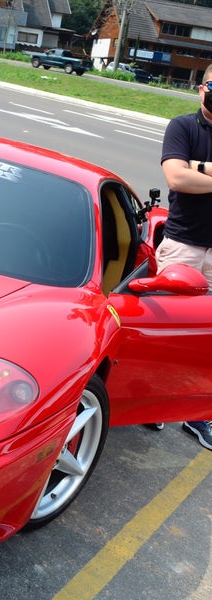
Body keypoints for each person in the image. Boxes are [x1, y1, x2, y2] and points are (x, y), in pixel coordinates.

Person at [153, 63, 212, 450]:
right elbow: (177, 178)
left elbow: (192, 175)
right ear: (201, 89)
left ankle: (198, 414)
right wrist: (195, 170)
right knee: (166, 332)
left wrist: (202, 169)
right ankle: (153, 403)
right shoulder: (183, 128)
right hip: (183, 247)